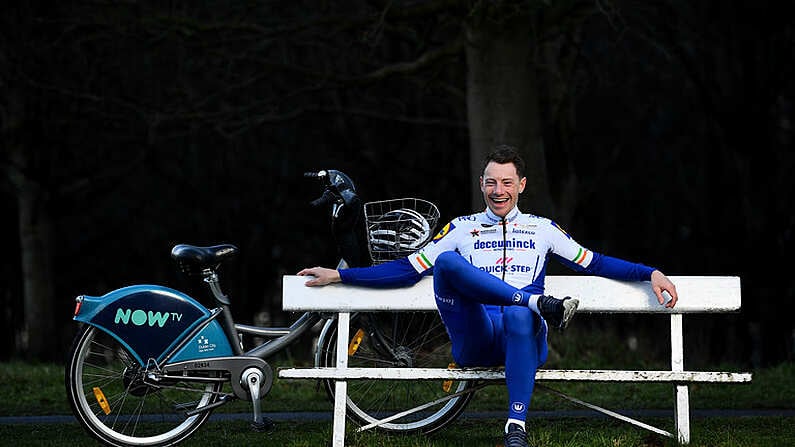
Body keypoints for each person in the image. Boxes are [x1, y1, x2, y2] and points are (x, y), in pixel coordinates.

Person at [298, 144, 678, 447]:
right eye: (492, 183)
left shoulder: (542, 229)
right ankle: (532, 300)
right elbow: (406, 269)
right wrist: (341, 275)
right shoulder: (461, 227)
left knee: (518, 315)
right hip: (476, 339)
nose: (499, 192)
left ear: (522, 185)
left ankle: (515, 428)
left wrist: (651, 273)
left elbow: (595, 262)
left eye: (507, 183)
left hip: (524, 337)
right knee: (446, 261)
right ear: (481, 184)